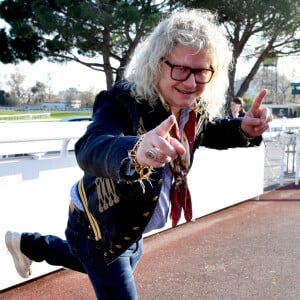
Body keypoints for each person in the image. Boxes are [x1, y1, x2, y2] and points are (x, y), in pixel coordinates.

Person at [5, 8, 271, 300]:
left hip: (132, 228)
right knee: (104, 270)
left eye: (202, 71)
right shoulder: (123, 100)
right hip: (98, 225)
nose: (192, 82)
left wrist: (245, 128)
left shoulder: (193, 107)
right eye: (180, 69)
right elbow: (91, 146)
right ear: (157, 64)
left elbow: (209, 131)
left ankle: (28, 244)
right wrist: (135, 151)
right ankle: (33, 244)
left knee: (87, 263)